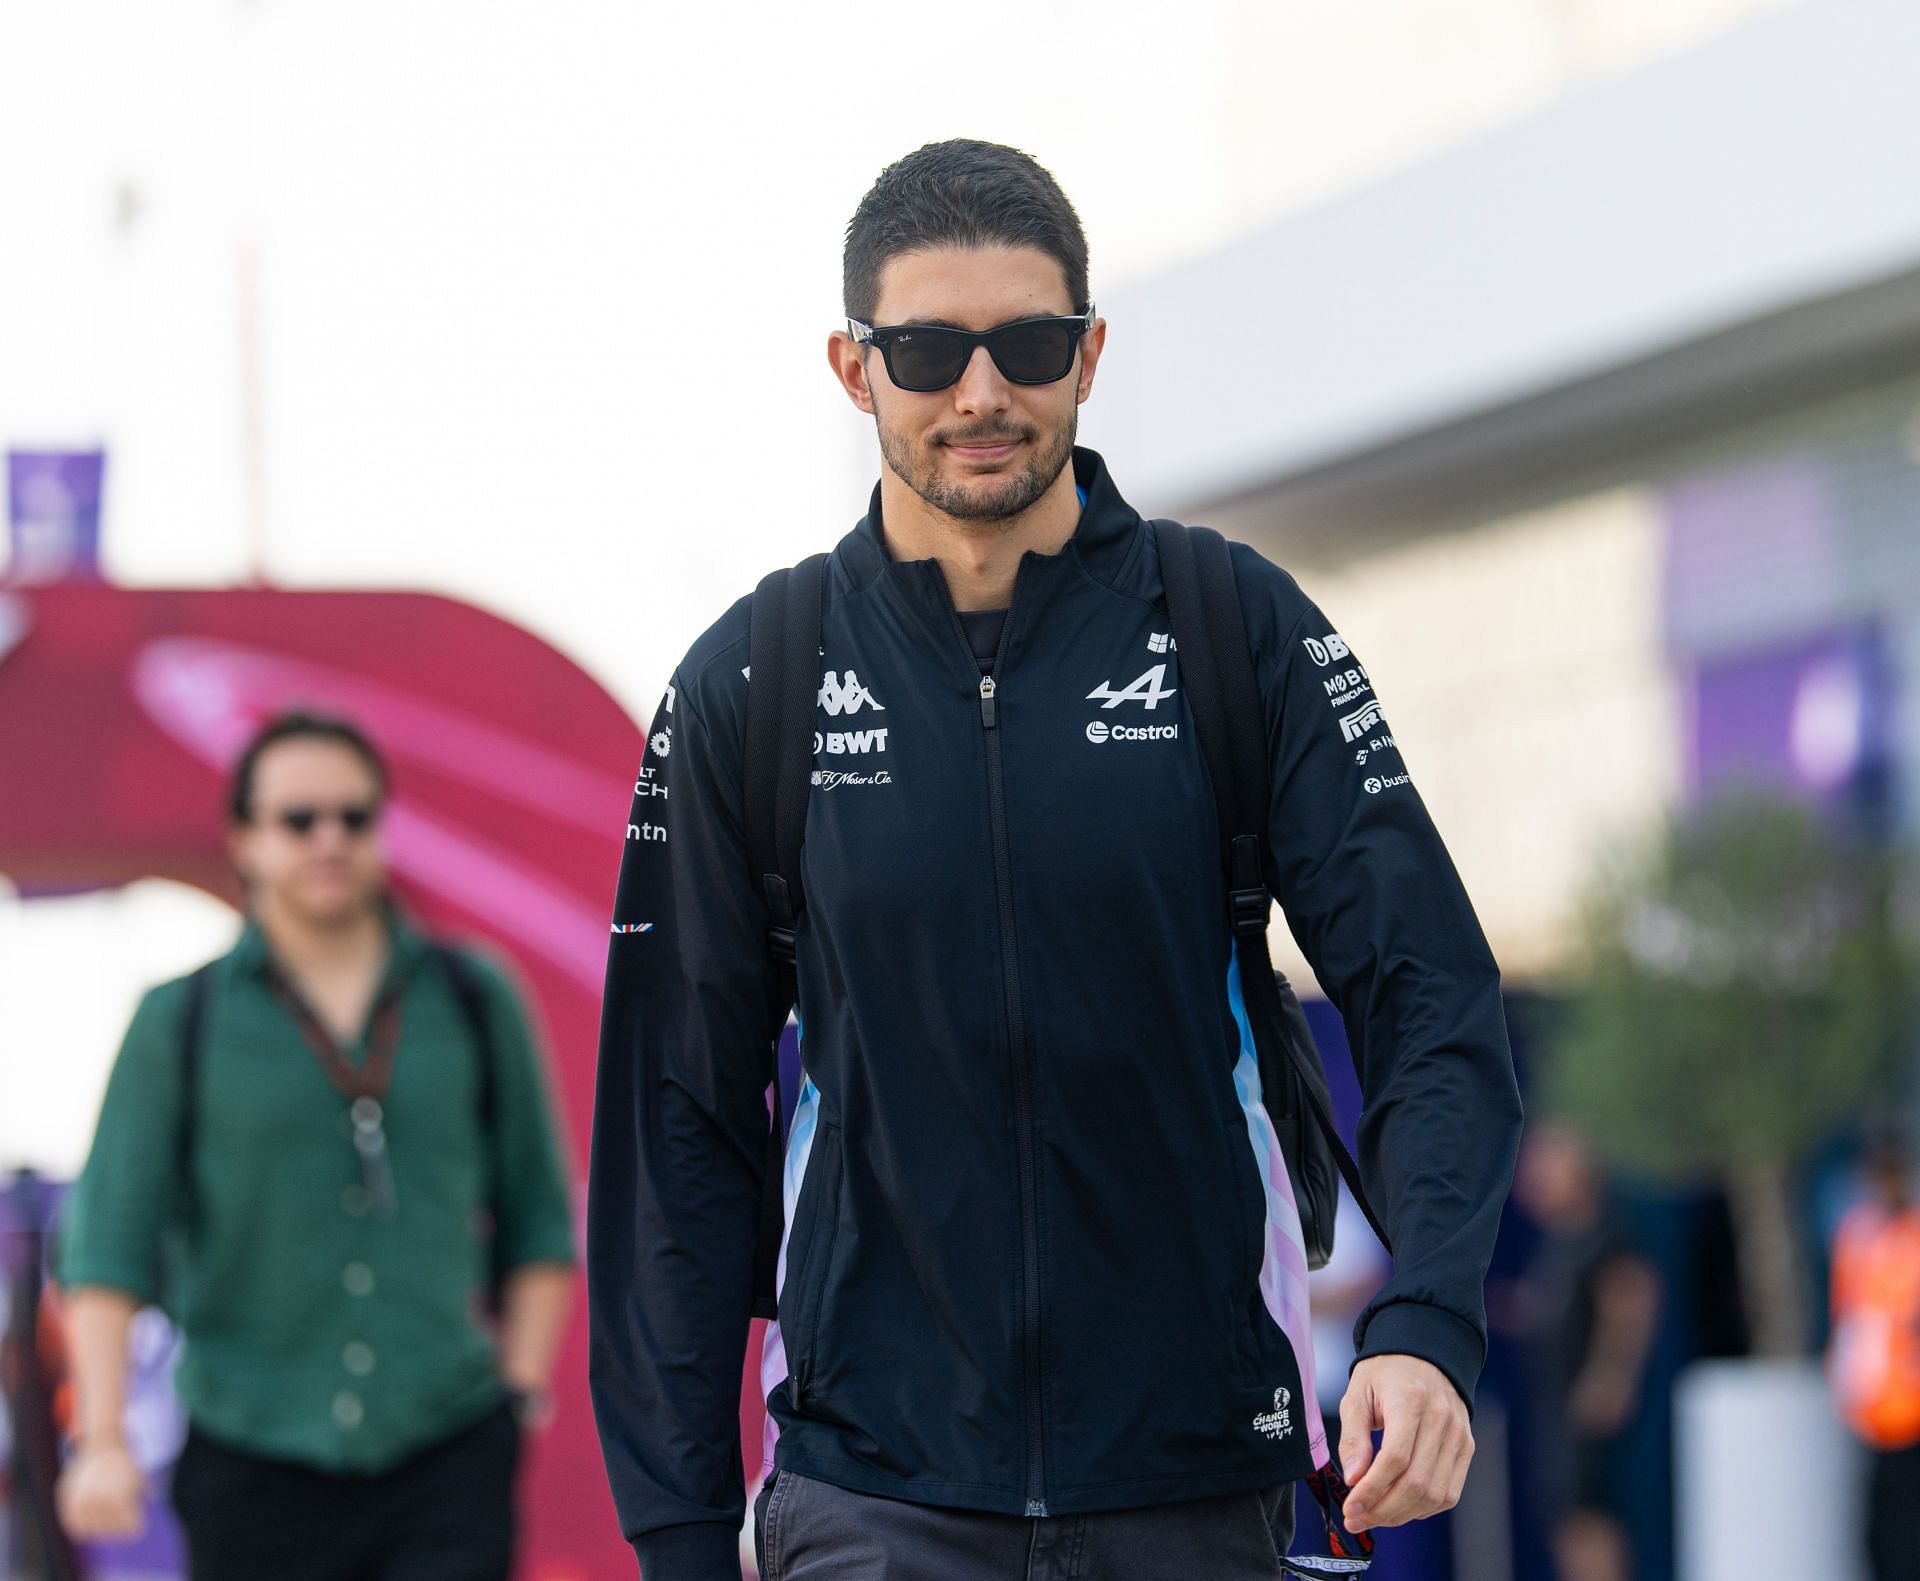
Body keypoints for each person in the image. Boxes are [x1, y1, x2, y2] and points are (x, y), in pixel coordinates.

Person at [588, 139, 1524, 1581]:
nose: (980, 393)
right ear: (854, 368)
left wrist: (1431, 1323)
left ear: (1088, 353)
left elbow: (1430, 994)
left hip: (1194, 1475)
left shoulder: (1234, 627)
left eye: (1027, 344)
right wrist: (679, 1533)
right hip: (871, 1489)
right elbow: (673, 1125)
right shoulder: (755, 681)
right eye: (926, 351)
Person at [54, 710, 577, 1581]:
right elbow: (108, 1245)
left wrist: (515, 1397)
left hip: (445, 1449)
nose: (329, 838)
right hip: (249, 1454)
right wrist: (102, 1438)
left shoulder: (476, 996)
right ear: (245, 839)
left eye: (355, 815)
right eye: (298, 819)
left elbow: (540, 1222)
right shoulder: (179, 1021)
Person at [1508, 1119, 1659, 1581]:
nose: (1537, 1174)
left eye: (1549, 1160)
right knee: (1566, 1515)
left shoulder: (1605, 1232)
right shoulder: (1561, 1240)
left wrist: (1610, 1378)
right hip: (1556, 1402)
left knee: (1589, 1517)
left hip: (1585, 1405)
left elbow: (1633, 1299)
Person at [1830, 1124, 1920, 1581]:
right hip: (1872, 1406)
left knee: (1907, 1533)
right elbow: (1851, 1312)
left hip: (1912, 1409)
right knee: (1875, 1533)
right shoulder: (1858, 1235)